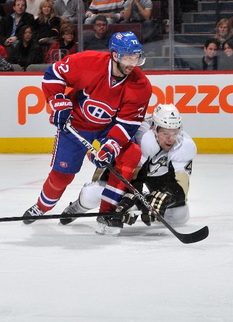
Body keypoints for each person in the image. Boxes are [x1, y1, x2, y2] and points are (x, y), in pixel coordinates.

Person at [22, 32, 152, 228]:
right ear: (115, 55)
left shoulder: (141, 85)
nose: (132, 63)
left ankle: (107, 212)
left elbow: (128, 123)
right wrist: (58, 101)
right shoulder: (88, 62)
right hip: (76, 124)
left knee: (131, 154)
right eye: (128, 57)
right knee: (61, 176)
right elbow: (53, 74)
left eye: (136, 57)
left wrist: (111, 145)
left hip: (107, 128)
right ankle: (42, 206)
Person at [59, 104, 197, 236]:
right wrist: (131, 199)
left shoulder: (184, 145)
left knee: (180, 215)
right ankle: (79, 206)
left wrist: (167, 196)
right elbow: (133, 173)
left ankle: (145, 207)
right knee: (93, 194)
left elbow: (182, 188)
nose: (171, 139)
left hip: (156, 173)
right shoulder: (140, 136)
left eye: (175, 132)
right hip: (127, 171)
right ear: (155, 129)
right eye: (166, 133)